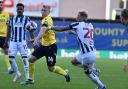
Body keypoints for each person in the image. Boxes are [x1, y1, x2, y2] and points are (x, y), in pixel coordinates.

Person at [43, 10, 106, 89]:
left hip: (87, 54)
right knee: (73, 62)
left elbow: (62, 28)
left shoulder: (77, 24)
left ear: (82, 17)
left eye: (78, 15)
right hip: (90, 51)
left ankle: (102, 86)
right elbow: (83, 35)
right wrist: (74, 33)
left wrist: (49, 27)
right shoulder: (90, 25)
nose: (77, 17)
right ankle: (93, 69)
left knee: (88, 73)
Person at [21, 5, 70, 85]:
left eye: (45, 10)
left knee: (51, 68)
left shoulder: (47, 19)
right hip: (43, 46)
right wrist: (35, 39)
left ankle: (65, 73)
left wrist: (36, 39)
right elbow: (45, 34)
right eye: (42, 10)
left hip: (51, 47)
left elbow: (43, 30)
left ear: (48, 12)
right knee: (31, 60)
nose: (43, 11)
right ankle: (31, 79)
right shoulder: (44, 20)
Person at [6, 3, 35, 83]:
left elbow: (30, 30)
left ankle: (27, 78)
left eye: (21, 9)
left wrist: (33, 41)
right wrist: (6, 41)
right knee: (11, 59)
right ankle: (18, 73)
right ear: (16, 9)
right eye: (18, 9)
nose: (19, 10)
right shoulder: (11, 18)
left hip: (22, 42)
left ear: (23, 10)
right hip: (12, 42)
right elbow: (8, 30)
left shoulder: (27, 19)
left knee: (25, 59)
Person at [0, 0, 11, 73]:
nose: (0, 5)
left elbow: (9, 26)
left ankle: (9, 68)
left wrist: (7, 39)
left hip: (4, 36)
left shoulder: (6, 14)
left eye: (1, 3)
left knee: (6, 51)